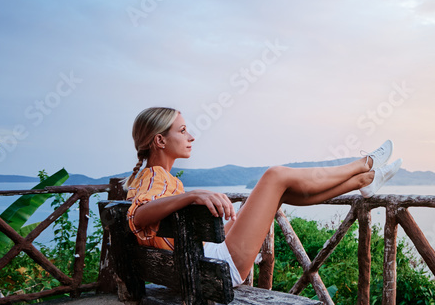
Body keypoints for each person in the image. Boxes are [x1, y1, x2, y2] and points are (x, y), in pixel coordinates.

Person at [123, 107, 401, 286]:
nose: (191, 136)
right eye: (182, 131)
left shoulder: (156, 178)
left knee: (276, 194)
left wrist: (189, 197)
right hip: (211, 269)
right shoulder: (155, 176)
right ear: (160, 141)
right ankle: (363, 164)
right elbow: (137, 215)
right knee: (274, 176)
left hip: (194, 264)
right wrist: (192, 195)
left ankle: (365, 180)